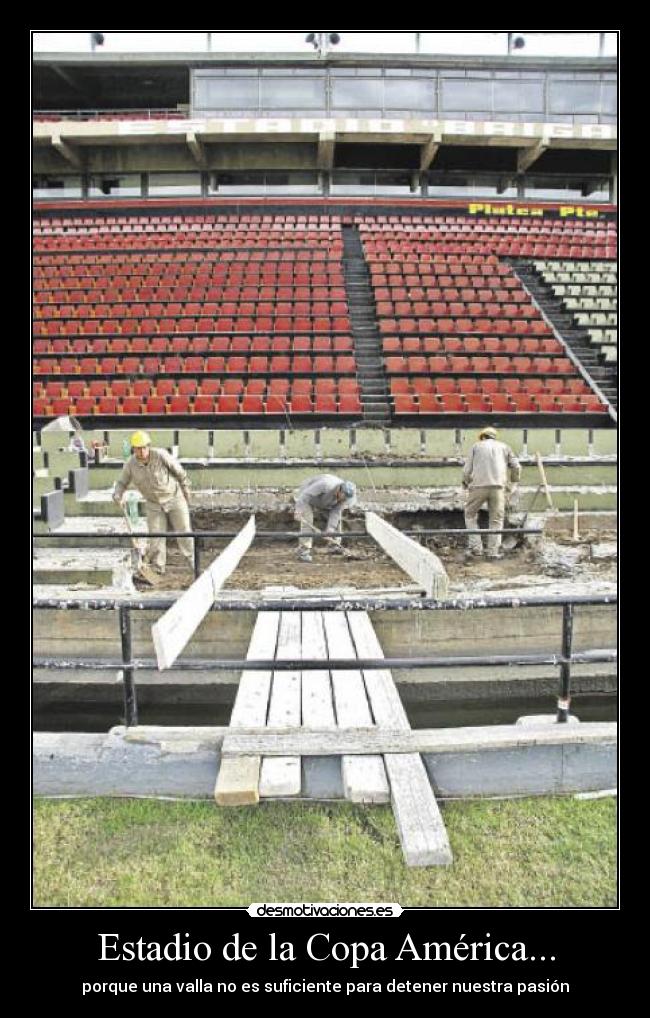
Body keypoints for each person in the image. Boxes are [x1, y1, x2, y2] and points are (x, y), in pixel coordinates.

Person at [112, 430, 194, 576]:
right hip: (153, 504)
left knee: (184, 532)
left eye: (144, 447)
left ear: (148, 446)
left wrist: (186, 491)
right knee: (156, 537)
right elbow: (121, 483)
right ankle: (158, 568)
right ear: (133, 449)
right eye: (138, 448)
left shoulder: (161, 455)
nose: (142, 451)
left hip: (174, 498)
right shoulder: (130, 465)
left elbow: (180, 473)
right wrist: (117, 494)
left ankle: (193, 561)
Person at [462, 426, 521, 560]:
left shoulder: (476, 447)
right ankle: (493, 552)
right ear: (494, 437)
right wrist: (513, 484)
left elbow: (466, 471)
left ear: (482, 437)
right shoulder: (505, 447)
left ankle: (476, 549)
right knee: (496, 520)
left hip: (478, 487)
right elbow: (516, 466)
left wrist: (466, 483)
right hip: (498, 488)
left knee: (470, 515)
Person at [294, 474, 357, 562]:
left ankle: (334, 545)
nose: (344, 499)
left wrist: (330, 529)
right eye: (344, 496)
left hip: (326, 501)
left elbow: (336, 512)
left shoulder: (345, 498)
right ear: (339, 489)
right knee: (308, 519)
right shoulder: (325, 485)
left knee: (337, 521)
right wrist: (298, 510)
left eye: (346, 498)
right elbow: (305, 496)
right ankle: (303, 550)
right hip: (307, 498)